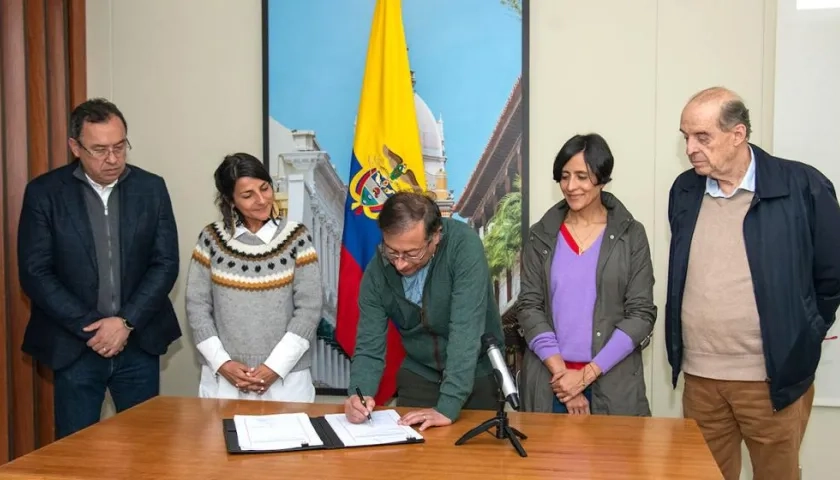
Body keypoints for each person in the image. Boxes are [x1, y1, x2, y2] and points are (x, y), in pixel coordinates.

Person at [666, 87, 840, 480]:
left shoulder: (803, 185)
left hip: (771, 380)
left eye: (702, 137)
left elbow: (831, 276)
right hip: (701, 378)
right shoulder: (685, 190)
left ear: (738, 134)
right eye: (686, 137)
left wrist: (805, 331)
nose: (690, 148)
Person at [18, 98, 181, 439]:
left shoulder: (151, 188)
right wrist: (94, 329)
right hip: (75, 346)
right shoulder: (45, 193)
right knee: (77, 451)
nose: (113, 158)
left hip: (138, 342)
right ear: (75, 147)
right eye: (100, 149)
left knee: (145, 447)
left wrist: (125, 322)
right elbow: (35, 272)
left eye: (120, 146)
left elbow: (165, 263)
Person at [518, 133, 656, 416]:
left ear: (602, 179)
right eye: (564, 176)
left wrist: (584, 377)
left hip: (613, 383)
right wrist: (563, 379)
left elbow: (641, 314)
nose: (571, 186)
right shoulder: (540, 235)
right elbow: (529, 307)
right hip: (550, 383)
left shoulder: (631, 235)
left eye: (582, 176)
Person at [344, 192, 504, 431]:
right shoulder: (377, 273)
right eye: (392, 251)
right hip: (419, 374)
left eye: (412, 253)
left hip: (475, 374)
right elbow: (369, 345)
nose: (400, 263)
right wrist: (359, 394)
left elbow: (465, 330)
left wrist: (447, 406)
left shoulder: (464, 246)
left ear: (436, 236)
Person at [185, 153, 321, 402]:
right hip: (223, 381)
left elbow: (309, 309)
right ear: (230, 200)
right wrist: (222, 363)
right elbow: (197, 306)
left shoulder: (297, 237)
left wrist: (274, 367)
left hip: (287, 381)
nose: (261, 200)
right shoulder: (211, 239)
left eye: (265, 188)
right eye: (248, 195)